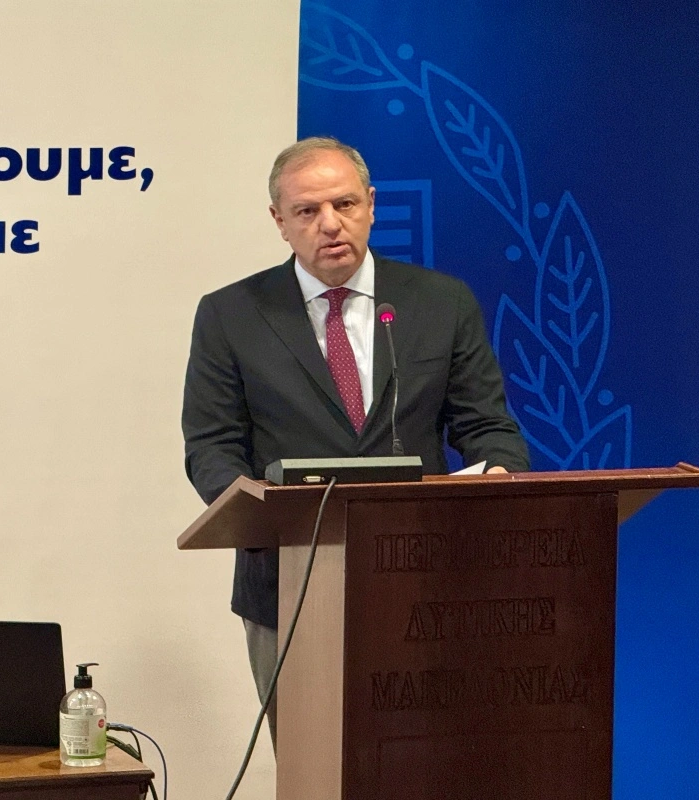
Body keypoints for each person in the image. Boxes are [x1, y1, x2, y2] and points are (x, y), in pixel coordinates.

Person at [180, 137, 530, 742]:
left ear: (370, 204)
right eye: (307, 211)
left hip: (426, 578)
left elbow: (488, 427)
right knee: (310, 761)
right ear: (279, 222)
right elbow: (211, 447)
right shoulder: (231, 313)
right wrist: (261, 513)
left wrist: (498, 473)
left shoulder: (440, 302)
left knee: (424, 760)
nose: (330, 224)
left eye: (344, 204)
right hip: (289, 583)